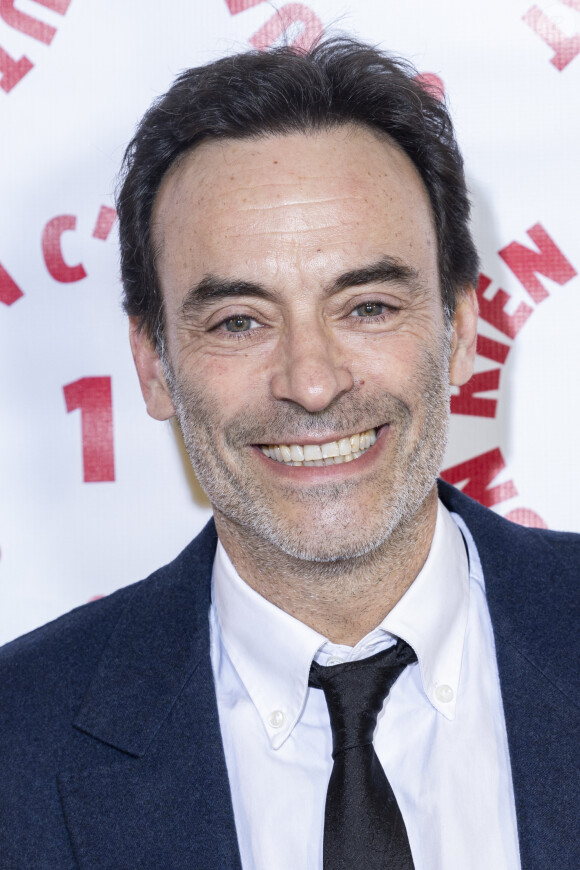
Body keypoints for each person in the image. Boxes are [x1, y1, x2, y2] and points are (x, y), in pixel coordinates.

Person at [0, 37, 577, 870]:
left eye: (369, 307)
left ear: (462, 332)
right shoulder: (20, 743)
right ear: (153, 364)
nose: (312, 383)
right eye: (240, 321)